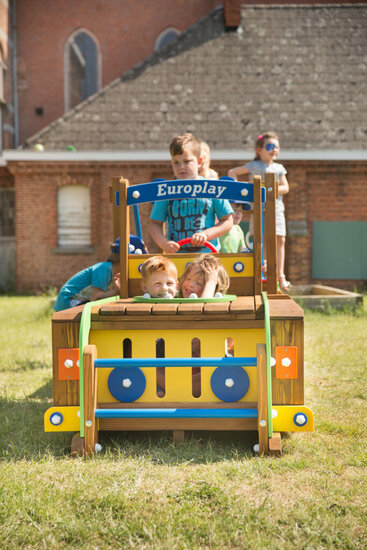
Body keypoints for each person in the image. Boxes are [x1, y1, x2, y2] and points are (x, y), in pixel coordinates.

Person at [149, 132, 233, 253]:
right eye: (176, 162)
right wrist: (164, 243)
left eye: (187, 161)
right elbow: (154, 223)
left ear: (199, 161)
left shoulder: (212, 188)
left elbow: (227, 221)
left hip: (207, 257)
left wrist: (206, 235)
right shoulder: (166, 191)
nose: (181, 167)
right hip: (178, 258)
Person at [227, 131, 291, 291]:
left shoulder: (279, 168)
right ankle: (260, 269)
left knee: (280, 239)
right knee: (259, 239)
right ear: (259, 150)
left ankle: (280, 274)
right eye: (270, 146)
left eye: (277, 147)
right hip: (259, 209)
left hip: (276, 208)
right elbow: (232, 173)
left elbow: (286, 187)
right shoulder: (253, 166)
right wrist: (243, 192)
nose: (274, 150)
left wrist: (269, 190)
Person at [53, 240, 121, 311]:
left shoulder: (110, 270)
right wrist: (116, 292)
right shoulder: (104, 268)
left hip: (81, 301)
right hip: (69, 300)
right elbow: (95, 297)